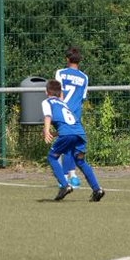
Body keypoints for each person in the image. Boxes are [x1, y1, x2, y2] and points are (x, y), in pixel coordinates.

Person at [41, 79, 105, 202]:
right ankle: (97, 189)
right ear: (60, 93)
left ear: (46, 92)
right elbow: (69, 125)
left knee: (52, 157)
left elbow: (48, 116)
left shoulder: (47, 102)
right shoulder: (64, 104)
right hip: (80, 133)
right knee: (80, 161)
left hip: (68, 133)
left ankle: (65, 186)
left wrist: (47, 131)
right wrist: (54, 134)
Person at [55, 46, 88, 188]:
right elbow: (82, 98)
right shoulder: (84, 77)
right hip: (76, 115)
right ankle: (72, 175)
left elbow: (58, 93)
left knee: (65, 145)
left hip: (63, 113)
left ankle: (66, 178)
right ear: (79, 60)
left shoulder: (60, 73)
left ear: (67, 59)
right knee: (72, 145)